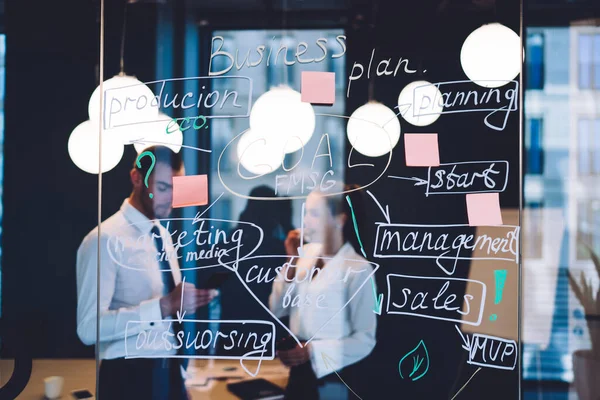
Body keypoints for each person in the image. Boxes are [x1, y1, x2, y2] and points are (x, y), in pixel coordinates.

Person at [76, 145, 216, 400]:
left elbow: (165, 323)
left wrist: (179, 380)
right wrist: (163, 306)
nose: (172, 198)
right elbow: (88, 329)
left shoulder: (163, 235)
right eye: (163, 188)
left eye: (177, 188)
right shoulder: (103, 240)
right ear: (137, 179)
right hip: (127, 379)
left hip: (169, 374)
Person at [269, 185, 377, 399]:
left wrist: (311, 351)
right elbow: (276, 308)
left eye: (314, 214)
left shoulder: (358, 268)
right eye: (306, 212)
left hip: (334, 378)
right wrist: (291, 261)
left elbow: (365, 339)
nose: (305, 221)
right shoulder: (305, 255)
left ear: (339, 219)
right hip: (297, 374)